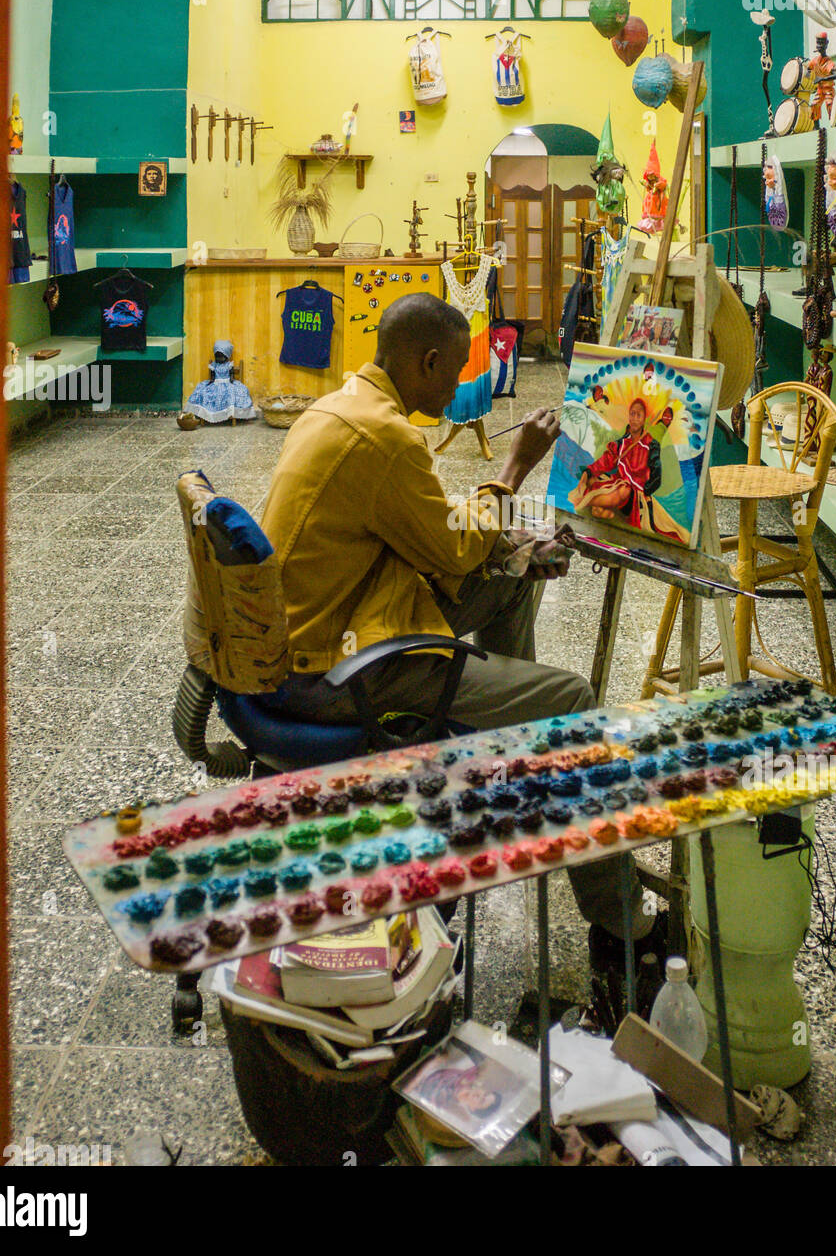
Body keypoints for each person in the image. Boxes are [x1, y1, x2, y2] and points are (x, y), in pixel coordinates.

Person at [259, 292, 652, 948]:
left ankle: (525, 759)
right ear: (427, 360)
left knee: (507, 581)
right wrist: (515, 467)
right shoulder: (384, 437)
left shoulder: (344, 404)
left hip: (330, 622)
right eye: (454, 373)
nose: (461, 386)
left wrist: (508, 548)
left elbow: (429, 525)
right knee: (574, 700)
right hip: (333, 668)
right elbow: (454, 545)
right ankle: (622, 924)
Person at [569, 397, 662, 527]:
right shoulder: (622, 443)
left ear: (644, 419)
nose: (635, 418)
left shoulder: (651, 445)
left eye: (638, 415)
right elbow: (606, 461)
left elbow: (657, 475)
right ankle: (602, 509)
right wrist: (588, 473)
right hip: (617, 484)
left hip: (633, 493)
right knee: (593, 479)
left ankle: (585, 502)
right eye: (632, 414)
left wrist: (646, 491)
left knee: (624, 489)